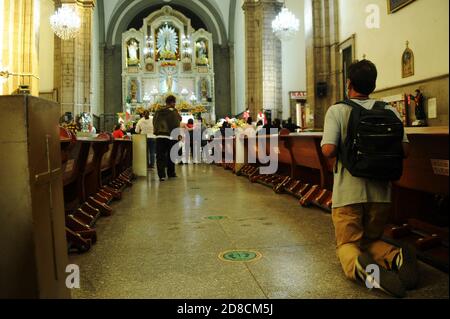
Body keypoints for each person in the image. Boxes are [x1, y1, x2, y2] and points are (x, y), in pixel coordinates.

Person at [321, 59, 417, 298]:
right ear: (373, 84)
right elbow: (405, 151)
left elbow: (328, 149)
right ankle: (396, 257)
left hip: (348, 193)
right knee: (371, 239)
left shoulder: (338, 110)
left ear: (348, 83)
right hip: (381, 194)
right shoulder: (390, 110)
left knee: (347, 245)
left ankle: (367, 271)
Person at [153, 95, 182, 181]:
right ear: (172, 103)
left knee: (160, 156)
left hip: (160, 136)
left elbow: (154, 122)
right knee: (171, 155)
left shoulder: (158, 111)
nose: (175, 104)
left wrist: (157, 131)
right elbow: (178, 122)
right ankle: (171, 173)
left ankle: (161, 175)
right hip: (172, 136)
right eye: (174, 103)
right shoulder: (174, 112)